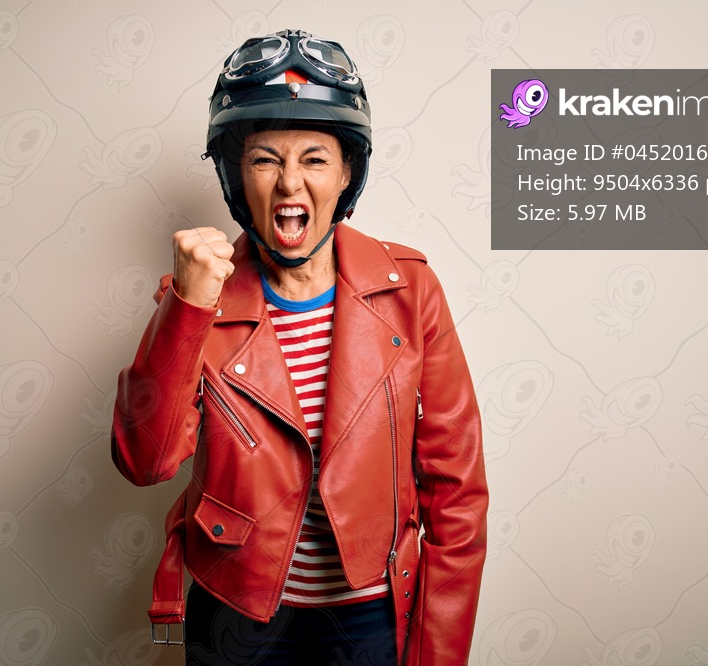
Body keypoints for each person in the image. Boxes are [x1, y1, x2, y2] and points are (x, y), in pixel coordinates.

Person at [112, 28, 488, 665]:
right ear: (237, 177)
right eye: (264, 160)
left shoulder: (411, 288)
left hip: (371, 617)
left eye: (314, 158)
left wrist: (437, 656)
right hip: (236, 619)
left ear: (346, 173)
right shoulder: (193, 303)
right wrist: (188, 306)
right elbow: (145, 463)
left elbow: (457, 491)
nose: (290, 184)